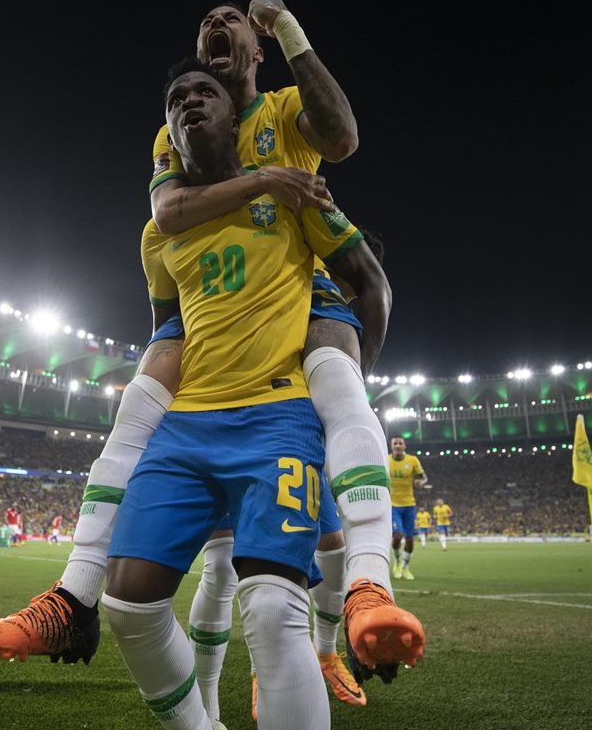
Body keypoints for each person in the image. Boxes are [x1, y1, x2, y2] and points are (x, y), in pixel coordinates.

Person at [0, 0, 412, 699]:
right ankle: (78, 599)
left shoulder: (284, 110)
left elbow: (344, 142)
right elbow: (166, 215)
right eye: (204, 26)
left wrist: (285, 26)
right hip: (210, 340)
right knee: (153, 404)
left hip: (295, 297)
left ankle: (353, 609)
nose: (213, 27)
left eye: (228, 19)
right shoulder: (172, 145)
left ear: (254, 51)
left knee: (290, 553)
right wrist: (264, 179)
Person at [102, 60, 419, 730]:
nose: (191, 102)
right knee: (127, 603)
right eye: (176, 99)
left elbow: (371, 283)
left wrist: (342, 382)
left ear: (234, 118)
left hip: (277, 415)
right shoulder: (160, 233)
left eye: (205, 93)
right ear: (167, 135)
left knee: (273, 610)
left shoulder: (294, 198)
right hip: (188, 427)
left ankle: (362, 597)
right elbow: (165, 329)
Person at [388, 437, 426, 580]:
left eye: (400, 443)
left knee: (410, 540)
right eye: (395, 444)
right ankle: (397, 562)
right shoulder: (386, 460)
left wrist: (420, 482)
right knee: (397, 536)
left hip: (409, 505)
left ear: (405, 446)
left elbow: (423, 477)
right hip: (393, 505)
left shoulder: (412, 461)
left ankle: (405, 568)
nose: (398, 445)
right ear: (391, 447)